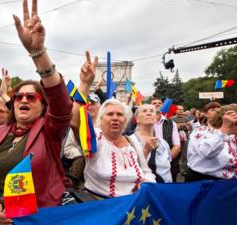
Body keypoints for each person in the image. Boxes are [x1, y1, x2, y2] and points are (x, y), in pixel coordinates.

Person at [0, 0, 72, 224]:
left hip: (37, 218)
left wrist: (38, 53)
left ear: (43, 106)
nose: (23, 99)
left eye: (31, 96)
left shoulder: (49, 131)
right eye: (18, 96)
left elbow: (62, 105)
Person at [71, 51, 155, 199]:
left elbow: (146, 170)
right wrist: (85, 84)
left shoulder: (133, 141)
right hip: (101, 207)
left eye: (120, 114)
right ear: (100, 119)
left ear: (126, 120)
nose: (115, 118)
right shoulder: (96, 138)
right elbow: (74, 121)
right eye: (110, 114)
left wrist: (146, 183)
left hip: (131, 207)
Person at [186, 104, 237, 181]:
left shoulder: (229, 137)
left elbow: (228, 165)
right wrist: (225, 129)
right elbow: (207, 152)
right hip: (205, 186)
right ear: (233, 123)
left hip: (225, 187)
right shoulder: (202, 132)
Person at [130, 104, 172, 183]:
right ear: (137, 119)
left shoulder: (163, 143)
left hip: (164, 190)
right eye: (144, 111)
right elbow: (129, 169)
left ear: (156, 118)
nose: (149, 113)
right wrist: (145, 151)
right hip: (144, 189)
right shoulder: (129, 142)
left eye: (152, 111)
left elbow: (168, 169)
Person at [150, 98, 181, 182]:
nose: (157, 104)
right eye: (154, 103)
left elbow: (177, 145)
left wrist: (166, 160)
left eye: (159, 103)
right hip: (148, 164)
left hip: (167, 165)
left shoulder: (171, 123)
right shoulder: (144, 121)